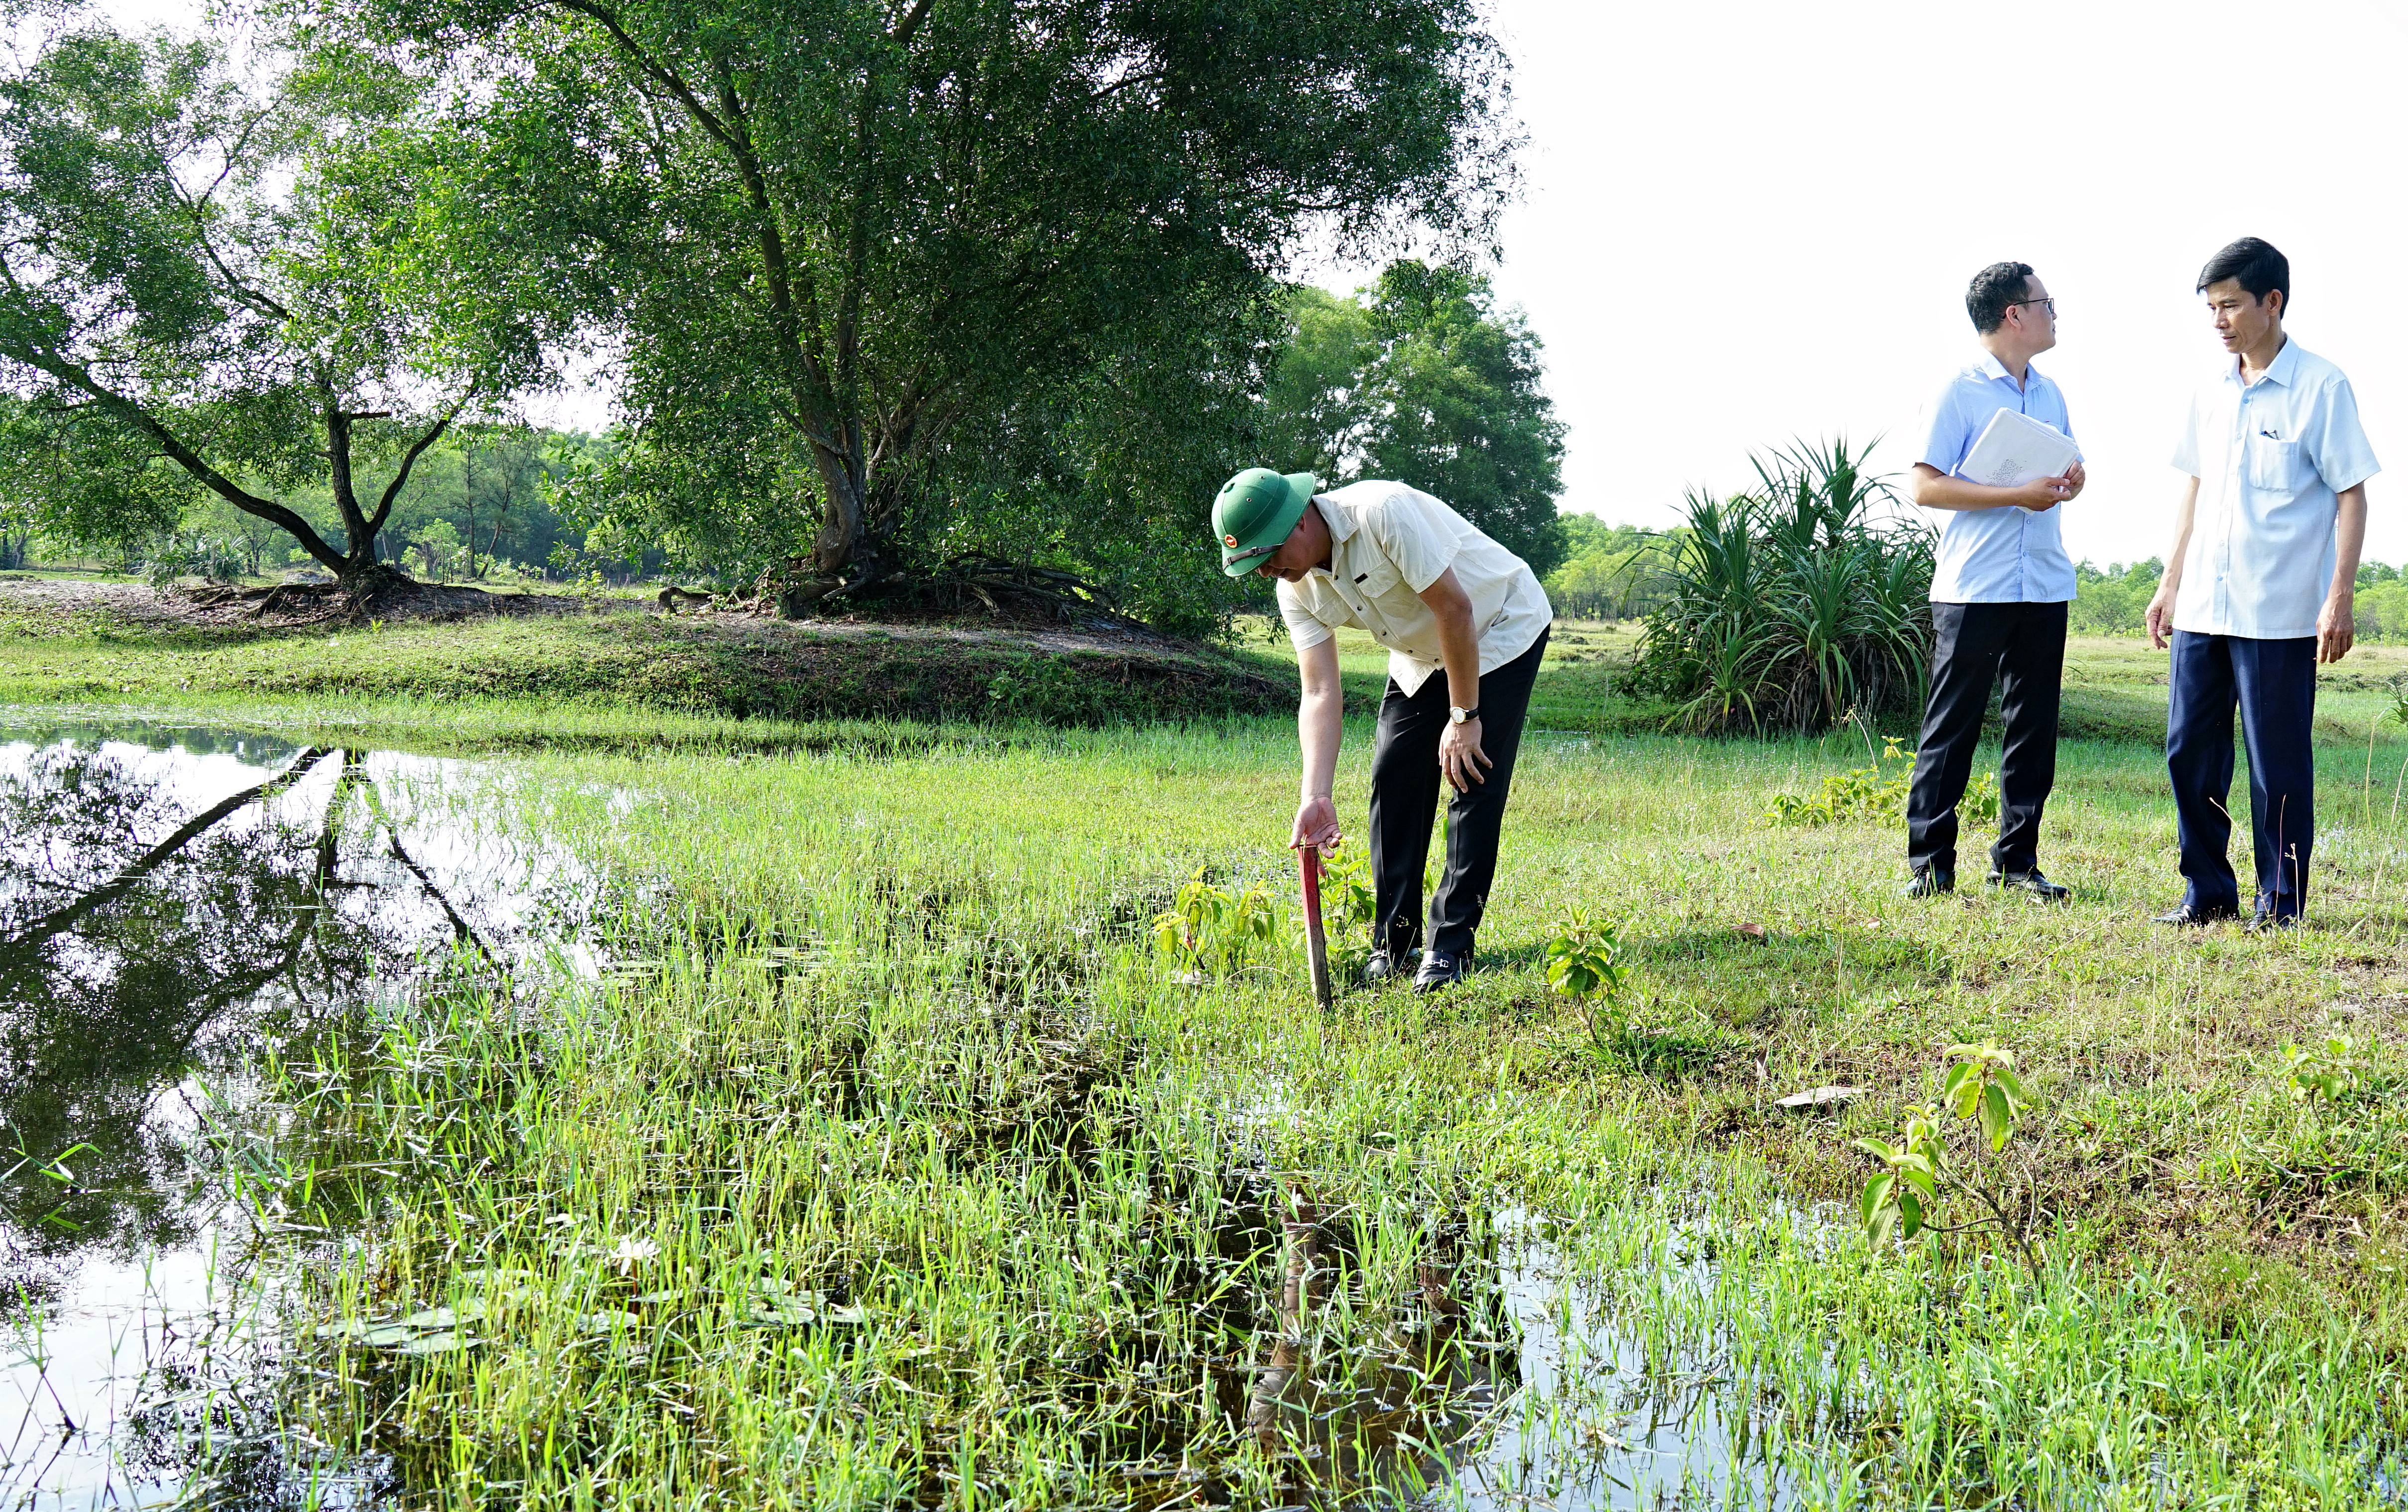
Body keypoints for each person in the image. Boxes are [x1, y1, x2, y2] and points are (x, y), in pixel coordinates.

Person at [1210, 468, 1552, 992]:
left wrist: (1463, 718)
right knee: (1394, 775)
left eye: (1270, 554)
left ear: (1300, 520)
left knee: (1471, 777)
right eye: (1254, 563)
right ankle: (1396, 940)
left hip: (1497, 625)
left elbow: (1454, 609)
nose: (1266, 572)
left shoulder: (1382, 514)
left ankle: (1449, 949)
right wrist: (1315, 794)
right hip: (1420, 652)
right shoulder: (1294, 588)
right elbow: (1320, 691)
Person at [2146, 237, 2378, 930]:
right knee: (2190, 751)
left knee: (2277, 767)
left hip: (2277, 614)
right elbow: (2194, 491)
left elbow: (2351, 495)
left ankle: (2281, 904)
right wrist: (2169, 583)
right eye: (2210, 309)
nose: (2218, 321)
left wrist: (2340, 594)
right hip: (2202, 610)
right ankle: (2208, 893)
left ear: (2271, 302)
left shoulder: (2322, 386)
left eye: (2230, 306)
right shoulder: (2210, 393)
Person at [1900, 262, 2086, 900]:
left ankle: (2017, 863)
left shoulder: (2051, 392)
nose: (2053, 313)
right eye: (2046, 302)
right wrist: (2016, 494)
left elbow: (2064, 467)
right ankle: (1930, 866)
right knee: (1952, 727)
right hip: (1973, 586)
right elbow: (1925, 485)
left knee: (2032, 730)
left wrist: (2070, 481)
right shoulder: (1960, 390)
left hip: (2043, 581)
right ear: (2015, 313)